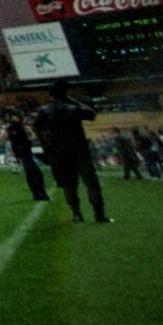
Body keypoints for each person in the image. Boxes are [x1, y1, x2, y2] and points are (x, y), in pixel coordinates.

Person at [31, 82, 109, 223]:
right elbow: (92, 114)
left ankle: (76, 215)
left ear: (50, 95)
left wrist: (44, 143)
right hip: (79, 148)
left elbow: (35, 126)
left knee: (69, 185)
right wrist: (72, 99)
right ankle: (99, 215)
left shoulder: (44, 110)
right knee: (91, 182)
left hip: (60, 151)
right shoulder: (73, 108)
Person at [4, 114, 49, 202]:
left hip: (25, 152)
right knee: (34, 173)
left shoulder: (15, 128)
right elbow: (26, 139)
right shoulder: (17, 128)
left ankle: (37, 193)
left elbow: (16, 140)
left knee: (32, 173)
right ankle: (40, 193)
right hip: (24, 152)